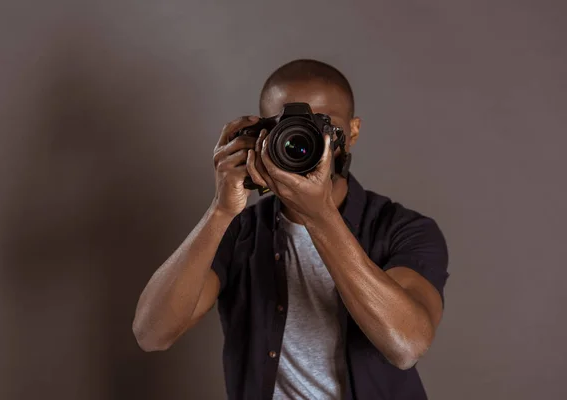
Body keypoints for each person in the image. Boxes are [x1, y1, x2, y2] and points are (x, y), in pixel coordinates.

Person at [133, 59, 449, 400]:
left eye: (323, 126)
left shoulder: (404, 230)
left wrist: (320, 216)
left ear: (353, 132)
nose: (306, 142)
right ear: (263, 137)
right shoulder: (239, 232)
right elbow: (152, 335)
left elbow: (406, 346)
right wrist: (221, 210)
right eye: (288, 129)